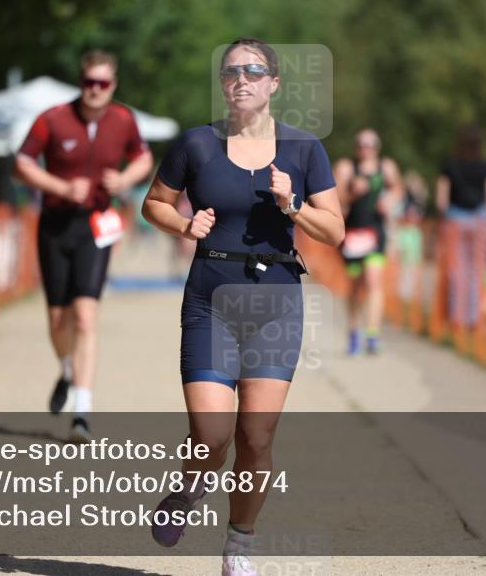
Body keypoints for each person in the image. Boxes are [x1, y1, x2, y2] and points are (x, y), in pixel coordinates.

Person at [142, 38, 343, 576]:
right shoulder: (196, 145)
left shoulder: (303, 150)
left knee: (256, 438)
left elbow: (336, 230)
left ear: (274, 83)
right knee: (211, 437)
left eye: (254, 71)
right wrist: (184, 224)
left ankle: (238, 547)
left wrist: (292, 206)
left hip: (277, 301)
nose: (242, 80)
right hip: (211, 297)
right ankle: (189, 488)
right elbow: (153, 204)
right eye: (231, 72)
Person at [12, 49, 153, 440]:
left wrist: (125, 181)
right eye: (89, 82)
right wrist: (59, 186)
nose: (95, 90)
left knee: (86, 316)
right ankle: (68, 371)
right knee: (59, 319)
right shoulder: (53, 119)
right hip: (55, 225)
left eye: (103, 84)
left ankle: (83, 410)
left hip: (95, 226)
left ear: (113, 86)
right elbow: (21, 164)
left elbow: (143, 159)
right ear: (81, 82)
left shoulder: (123, 119)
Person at [333, 130, 402, 355]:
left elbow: (398, 189)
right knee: (355, 285)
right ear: (356, 147)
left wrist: (390, 200)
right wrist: (353, 193)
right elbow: (334, 198)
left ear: (377, 147)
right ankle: (354, 331)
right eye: (361, 144)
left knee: (374, 280)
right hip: (352, 233)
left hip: (375, 232)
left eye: (370, 145)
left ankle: (372, 334)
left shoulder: (386, 167)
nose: (366, 149)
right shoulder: (346, 168)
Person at [435, 124, 486, 347]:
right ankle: (474, 320)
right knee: (476, 271)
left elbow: (442, 200)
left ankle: (457, 319)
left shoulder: (449, 166)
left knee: (456, 272)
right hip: (480, 220)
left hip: (455, 220)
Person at [394, 170, 428, 302]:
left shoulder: (419, 202)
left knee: (412, 268)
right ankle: (401, 296)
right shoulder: (404, 200)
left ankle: (408, 297)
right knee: (401, 268)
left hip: (414, 235)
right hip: (404, 234)